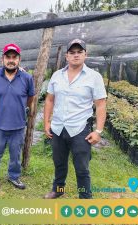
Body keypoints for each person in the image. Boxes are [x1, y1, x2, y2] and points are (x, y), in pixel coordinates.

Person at [44, 39, 107, 199]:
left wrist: (98, 131)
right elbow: (50, 100)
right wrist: (46, 122)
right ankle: (58, 190)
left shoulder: (94, 77)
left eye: (79, 52)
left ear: (85, 54)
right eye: (72, 52)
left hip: (80, 129)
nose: (76, 55)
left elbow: (100, 105)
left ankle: (85, 200)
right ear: (67, 56)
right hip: (58, 128)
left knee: (82, 167)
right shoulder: (57, 76)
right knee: (59, 163)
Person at [0, 43, 35, 195]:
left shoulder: (26, 78)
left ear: (19, 59)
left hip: (18, 125)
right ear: (2, 59)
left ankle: (14, 176)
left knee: (15, 154)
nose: (11, 60)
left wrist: (19, 107)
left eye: (14, 57)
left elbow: (30, 98)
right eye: (8, 57)